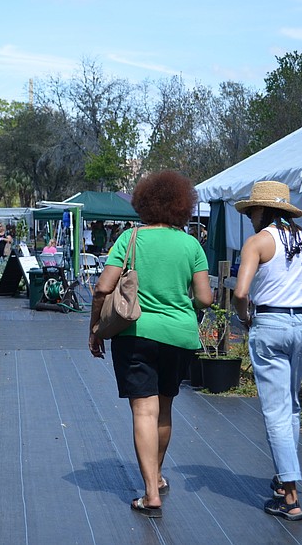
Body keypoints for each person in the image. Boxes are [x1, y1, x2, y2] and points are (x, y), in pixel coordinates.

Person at [89, 171, 213, 519]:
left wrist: (95, 330)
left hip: (136, 334)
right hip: (179, 336)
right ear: (181, 206)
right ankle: (156, 477)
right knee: (165, 408)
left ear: (143, 203)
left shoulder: (129, 239)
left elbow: (102, 287)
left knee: (144, 410)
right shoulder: (191, 245)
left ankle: (149, 493)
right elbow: (204, 298)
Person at [232, 181, 302, 522]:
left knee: (276, 412)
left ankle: (291, 497)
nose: (250, 216)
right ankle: (283, 479)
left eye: (252, 210)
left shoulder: (258, 242)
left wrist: (245, 316)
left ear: (263, 210)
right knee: (291, 406)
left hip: (270, 324)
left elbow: (240, 292)